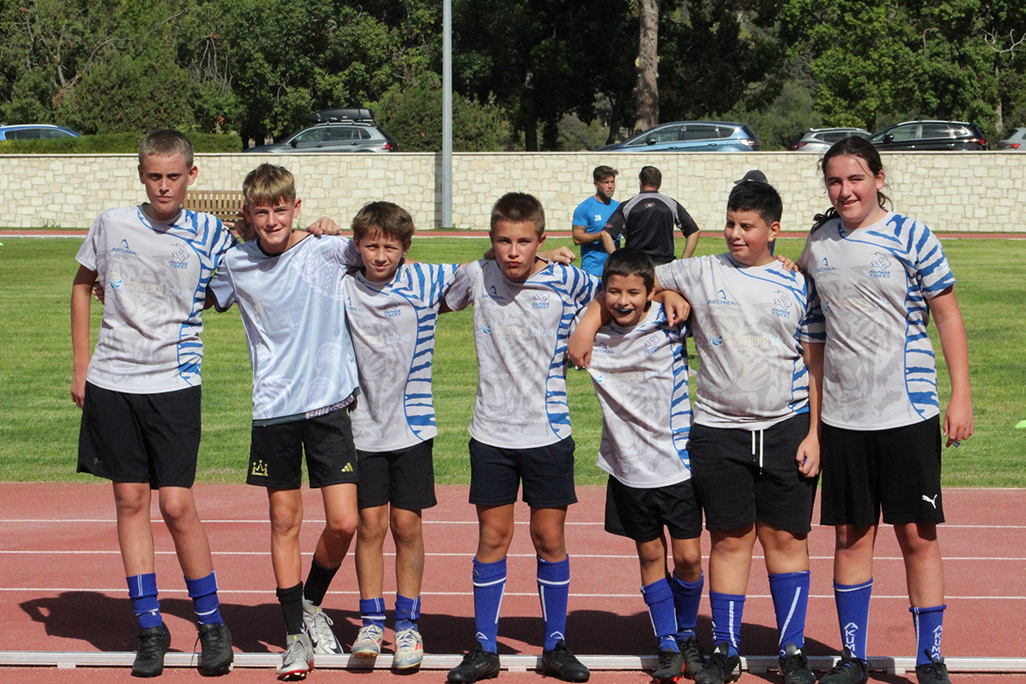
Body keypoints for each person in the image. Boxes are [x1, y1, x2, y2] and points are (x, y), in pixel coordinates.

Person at [573, 174, 823, 684]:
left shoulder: (799, 282)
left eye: (747, 226)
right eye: (730, 223)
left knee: (787, 538)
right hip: (716, 429)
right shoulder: (702, 270)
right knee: (729, 539)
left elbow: (816, 362)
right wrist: (602, 315)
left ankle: (791, 649)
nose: (735, 234)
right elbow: (632, 279)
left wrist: (816, 431)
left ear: (773, 229)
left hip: (786, 427)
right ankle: (727, 650)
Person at [798, 137, 973, 684]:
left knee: (917, 534)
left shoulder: (912, 236)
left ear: (877, 178)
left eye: (855, 178)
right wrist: (815, 423)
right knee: (850, 535)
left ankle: (930, 658)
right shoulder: (819, 243)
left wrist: (960, 394)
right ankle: (852, 656)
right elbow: (814, 336)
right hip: (844, 418)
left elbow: (946, 315)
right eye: (834, 181)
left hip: (907, 410)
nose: (844, 190)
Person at [70, 130, 234, 678]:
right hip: (113, 380)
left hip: (175, 382)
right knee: (129, 501)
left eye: (173, 175)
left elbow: (258, 267)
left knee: (177, 506)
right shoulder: (111, 223)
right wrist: (79, 369)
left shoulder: (213, 233)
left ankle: (211, 624)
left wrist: (320, 230)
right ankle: (150, 628)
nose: (163, 186)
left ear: (193, 174)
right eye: (153, 175)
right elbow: (81, 286)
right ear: (141, 174)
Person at [207, 163, 363, 681]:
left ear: (295, 208)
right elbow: (197, 295)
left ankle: (313, 602)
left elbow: (388, 253)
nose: (272, 220)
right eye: (261, 212)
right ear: (248, 216)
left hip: (329, 404)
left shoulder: (327, 249)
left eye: (280, 209)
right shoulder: (235, 264)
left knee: (345, 521)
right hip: (273, 410)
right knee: (284, 521)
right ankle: (295, 637)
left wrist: (333, 224)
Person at [576, 249, 706, 683]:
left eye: (634, 291)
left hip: (677, 465)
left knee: (688, 558)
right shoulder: (593, 335)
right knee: (650, 554)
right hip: (629, 470)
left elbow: (705, 292)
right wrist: (587, 323)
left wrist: (669, 291)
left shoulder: (672, 321)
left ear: (650, 291)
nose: (623, 300)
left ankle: (688, 632)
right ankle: (668, 642)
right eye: (613, 291)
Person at [342, 202, 462, 672]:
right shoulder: (344, 284)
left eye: (390, 246)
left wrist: (544, 258)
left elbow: (489, 269)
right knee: (370, 526)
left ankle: (408, 625)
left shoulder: (428, 280)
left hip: (412, 428)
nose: (379, 255)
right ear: (358, 246)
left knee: (407, 526)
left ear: (406, 248)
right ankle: (371, 622)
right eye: (370, 245)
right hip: (361, 427)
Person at [599, 165, 700, 265]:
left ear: (641, 182)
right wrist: (682, 262)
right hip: (664, 267)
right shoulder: (671, 204)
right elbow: (694, 232)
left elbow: (605, 233)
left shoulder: (628, 205)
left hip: (636, 266)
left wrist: (616, 261)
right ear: (660, 183)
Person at [572, 165, 621, 277]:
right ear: (596, 184)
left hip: (615, 270)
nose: (610, 186)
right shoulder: (585, 208)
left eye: (612, 182)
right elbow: (577, 238)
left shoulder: (619, 207)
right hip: (592, 272)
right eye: (606, 182)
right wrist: (603, 235)